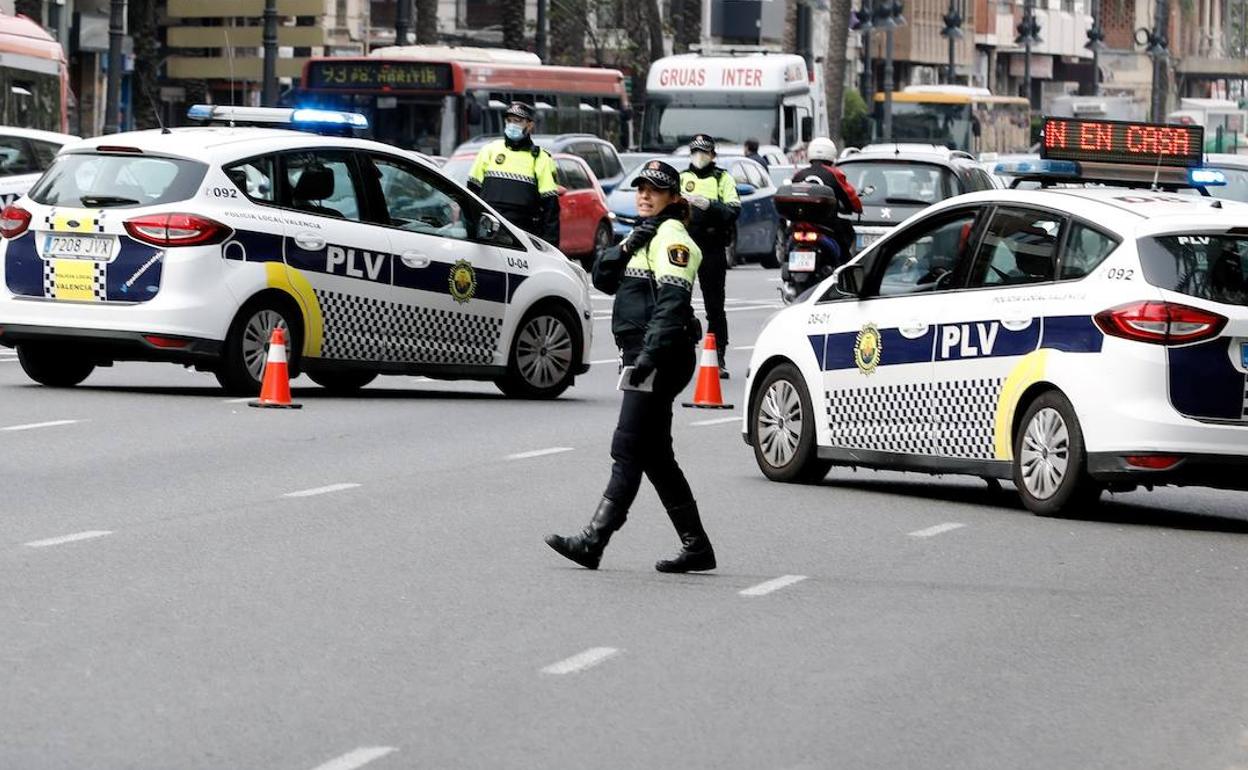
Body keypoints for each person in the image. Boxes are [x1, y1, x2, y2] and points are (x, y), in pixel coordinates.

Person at [545, 160, 715, 574]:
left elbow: (672, 304)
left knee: (627, 447)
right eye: (640, 188)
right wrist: (627, 243)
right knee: (655, 455)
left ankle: (593, 540)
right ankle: (697, 547)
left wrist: (648, 359)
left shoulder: (673, 238)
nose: (644, 195)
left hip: (659, 354)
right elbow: (602, 277)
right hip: (645, 353)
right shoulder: (647, 235)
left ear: (674, 198)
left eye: (655, 191)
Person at [680, 134, 740, 379]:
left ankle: (718, 356)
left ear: (713, 155)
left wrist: (710, 205)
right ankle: (680, 350)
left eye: (704, 152)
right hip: (684, 246)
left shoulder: (722, 178)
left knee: (714, 306)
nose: (699, 156)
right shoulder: (682, 178)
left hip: (712, 247)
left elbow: (733, 211)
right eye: (695, 151)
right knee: (677, 300)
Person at [466, 101, 560, 245]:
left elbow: (550, 210)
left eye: (518, 121)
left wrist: (550, 245)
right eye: (509, 121)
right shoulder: (489, 151)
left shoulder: (541, 159)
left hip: (523, 236)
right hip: (488, 233)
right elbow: (471, 195)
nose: (512, 125)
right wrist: (470, 232)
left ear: (530, 125)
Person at [790, 136, 863, 261]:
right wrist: (857, 208)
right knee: (846, 236)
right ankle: (843, 268)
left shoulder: (799, 174)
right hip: (826, 223)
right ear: (831, 154)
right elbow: (849, 195)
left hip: (801, 223)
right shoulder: (835, 174)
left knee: (788, 235)